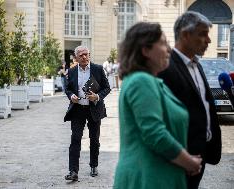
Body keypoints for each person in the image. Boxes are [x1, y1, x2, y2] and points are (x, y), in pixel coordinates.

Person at [113, 22, 202, 189]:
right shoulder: (141, 81)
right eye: (162, 43)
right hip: (148, 178)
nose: (168, 49)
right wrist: (189, 162)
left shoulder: (152, 81)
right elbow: (155, 134)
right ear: (145, 50)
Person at [158, 11, 222, 189]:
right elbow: (161, 120)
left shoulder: (197, 65)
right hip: (180, 159)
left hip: (199, 154)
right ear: (186, 35)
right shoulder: (165, 67)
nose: (208, 40)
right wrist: (179, 157)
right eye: (203, 34)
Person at [64, 46, 111, 181]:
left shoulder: (97, 69)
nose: (84, 57)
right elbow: (67, 89)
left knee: (94, 140)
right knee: (75, 139)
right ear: (76, 58)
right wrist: (71, 95)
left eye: (86, 54)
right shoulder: (72, 71)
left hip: (94, 109)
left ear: (89, 55)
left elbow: (107, 88)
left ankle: (94, 165)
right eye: (81, 55)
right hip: (78, 109)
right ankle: (73, 171)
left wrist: (96, 96)